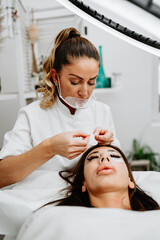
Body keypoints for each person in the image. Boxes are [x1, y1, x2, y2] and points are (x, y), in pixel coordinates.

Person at [0, 27, 120, 189]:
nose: (85, 92)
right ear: (56, 77)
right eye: (75, 82)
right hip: (42, 202)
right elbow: (3, 176)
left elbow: (119, 168)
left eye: (92, 82)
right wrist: (50, 148)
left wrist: (107, 146)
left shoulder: (102, 111)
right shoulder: (32, 115)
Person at [55, 144, 159, 211]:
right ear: (84, 183)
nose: (104, 158)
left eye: (114, 156)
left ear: (130, 180)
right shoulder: (62, 221)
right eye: (93, 157)